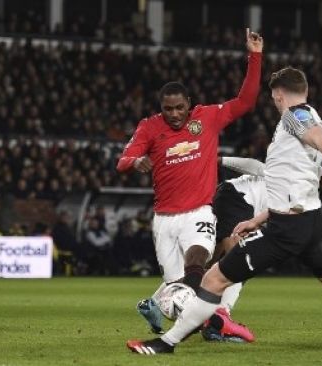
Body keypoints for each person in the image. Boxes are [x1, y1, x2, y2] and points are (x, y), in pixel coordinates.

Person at [127, 66, 322, 358]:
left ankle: (168, 341)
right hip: (311, 226)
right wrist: (257, 220)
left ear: (280, 94)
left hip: (286, 232)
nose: (273, 102)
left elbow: (318, 138)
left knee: (213, 280)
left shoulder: (295, 116)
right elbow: (291, 189)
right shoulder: (310, 125)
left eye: (273, 97)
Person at [117, 28, 263, 334]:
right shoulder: (149, 127)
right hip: (163, 220)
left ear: (189, 104)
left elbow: (245, 101)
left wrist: (255, 56)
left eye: (179, 108)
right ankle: (184, 315)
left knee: (197, 259)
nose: (173, 114)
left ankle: (216, 323)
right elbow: (122, 161)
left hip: (198, 212)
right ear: (161, 107)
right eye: (167, 109)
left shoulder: (207, 118)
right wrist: (136, 161)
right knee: (180, 291)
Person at [200, 151, 322, 341]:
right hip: (240, 198)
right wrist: (221, 160)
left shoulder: (311, 189)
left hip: (235, 199)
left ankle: (164, 305)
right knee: (237, 263)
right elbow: (259, 167)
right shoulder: (304, 169)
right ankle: (219, 320)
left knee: (209, 264)